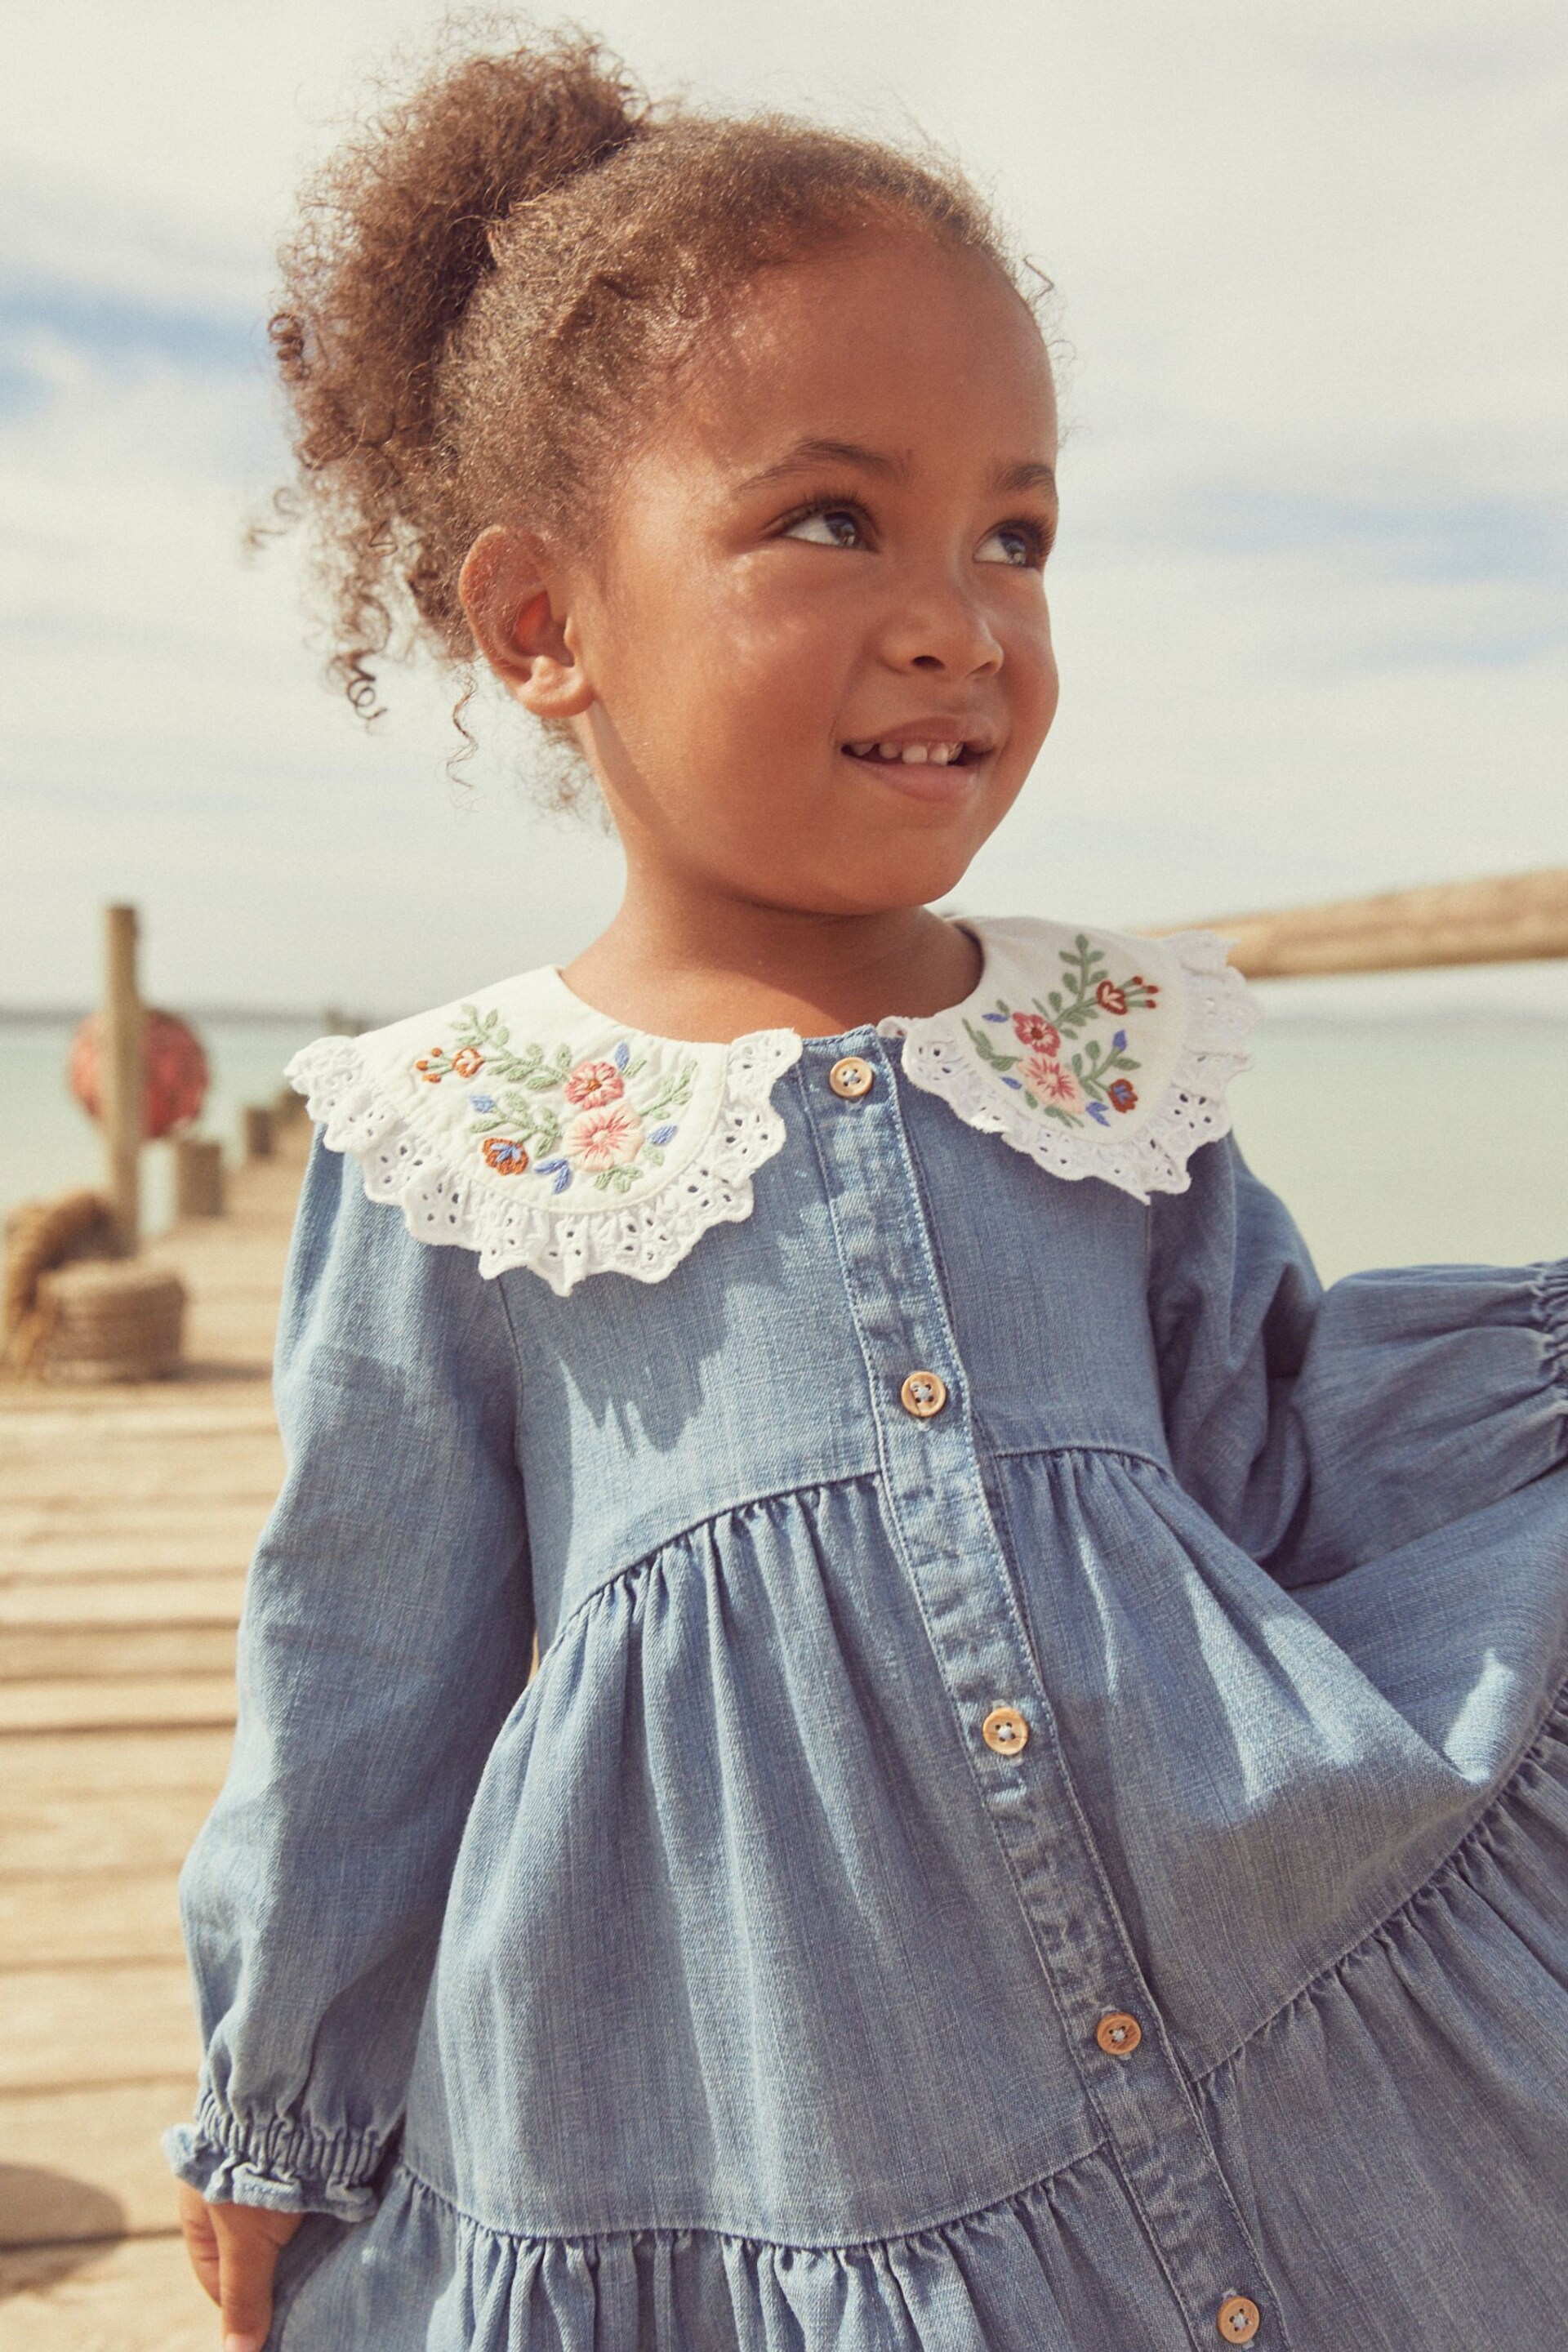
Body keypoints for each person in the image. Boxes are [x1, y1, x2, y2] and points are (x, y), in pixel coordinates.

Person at [168, 27, 1568, 2352]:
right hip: (756, 2099)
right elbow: (362, 1679)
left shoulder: (1109, 1051)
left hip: (1240, 1977)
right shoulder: (464, 1131)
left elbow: (1276, 1458)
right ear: (542, 628)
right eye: (834, 521)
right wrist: (282, 2109)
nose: (959, 614)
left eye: (1013, 534)